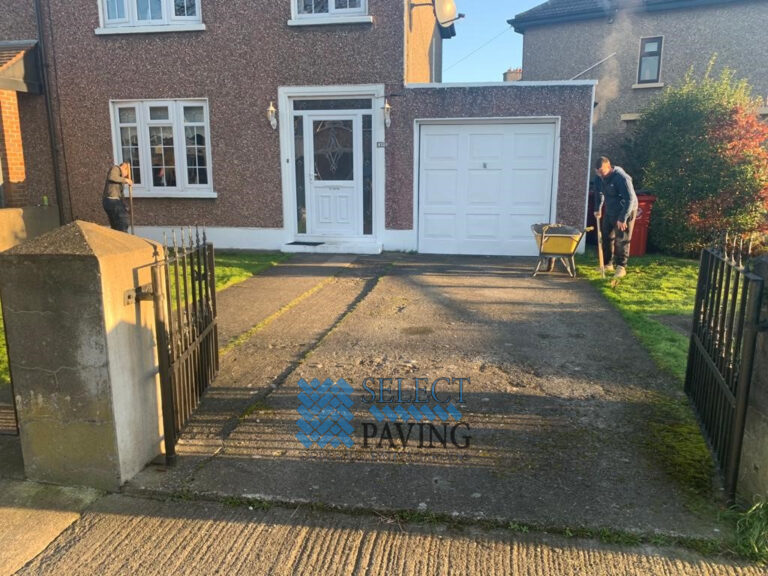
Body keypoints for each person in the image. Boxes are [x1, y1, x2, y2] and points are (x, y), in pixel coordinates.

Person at [593, 156, 638, 278]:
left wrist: (623, 218)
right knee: (606, 236)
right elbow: (599, 193)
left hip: (625, 210)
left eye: (602, 172)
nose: (600, 175)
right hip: (610, 209)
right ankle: (607, 264)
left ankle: (621, 267)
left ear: (609, 167)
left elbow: (630, 199)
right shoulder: (599, 177)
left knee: (622, 239)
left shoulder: (621, 178)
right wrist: (598, 208)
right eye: (597, 172)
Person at [103, 162, 133, 232]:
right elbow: (112, 177)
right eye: (127, 173)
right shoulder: (116, 168)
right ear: (124, 168)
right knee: (122, 221)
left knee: (116, 224)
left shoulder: (120, 179)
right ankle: (124, 238)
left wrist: (125, 207)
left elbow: (121, 195)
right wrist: (126, 180)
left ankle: (117, 239)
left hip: (113, 201)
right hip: (112, 200)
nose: (126, 175)